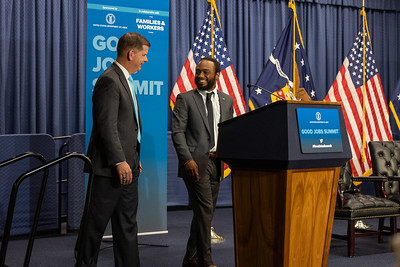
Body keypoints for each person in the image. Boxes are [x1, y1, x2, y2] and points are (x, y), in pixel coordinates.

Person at [75, 32, 150, 267]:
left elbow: (126, 127)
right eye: (144, 55)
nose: (145, 60)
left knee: (127, 224)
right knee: (94, 225)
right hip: (110, 169)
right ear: (131, 53)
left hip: (129, 167)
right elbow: (106, 126)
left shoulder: (126, 79)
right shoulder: (109, 80)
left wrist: (132, 157)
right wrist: (119, 161)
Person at [172, 57, 234, 267]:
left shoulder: (226, 100)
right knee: (205, 211)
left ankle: (190, 258)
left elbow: (228, 131)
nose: (200, 76)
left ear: (217, 75)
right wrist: (187, 160)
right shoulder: (185, 98)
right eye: (198, 71)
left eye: (206, 72)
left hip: (216, 163)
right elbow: (178, 133)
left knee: (204, 212)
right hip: (195, 164)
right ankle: (206, 261)